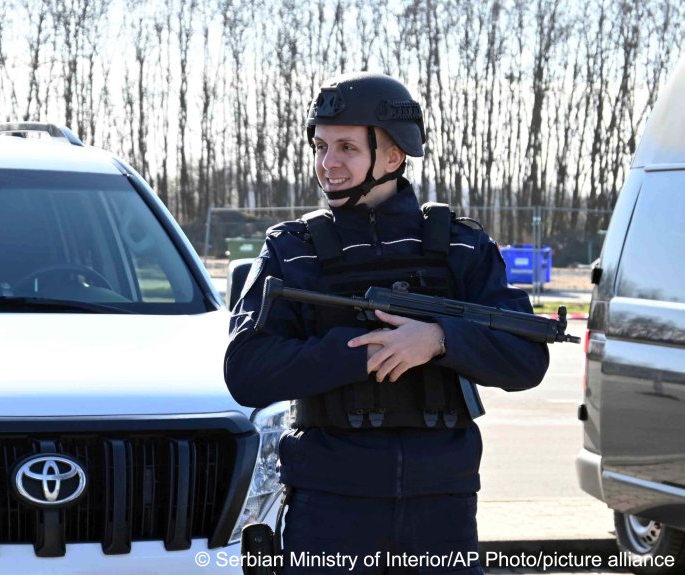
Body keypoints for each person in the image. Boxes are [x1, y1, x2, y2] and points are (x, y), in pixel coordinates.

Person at [224, 72, 550, 574]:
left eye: (347, 147)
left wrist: (438, 340)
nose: (327, 164)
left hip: (442, 511)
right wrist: (362, 348)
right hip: (329, 508)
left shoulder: (462, 246)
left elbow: (527, 357)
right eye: (321, 146)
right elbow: (246, 370)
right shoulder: (292, 250)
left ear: (394, 156)